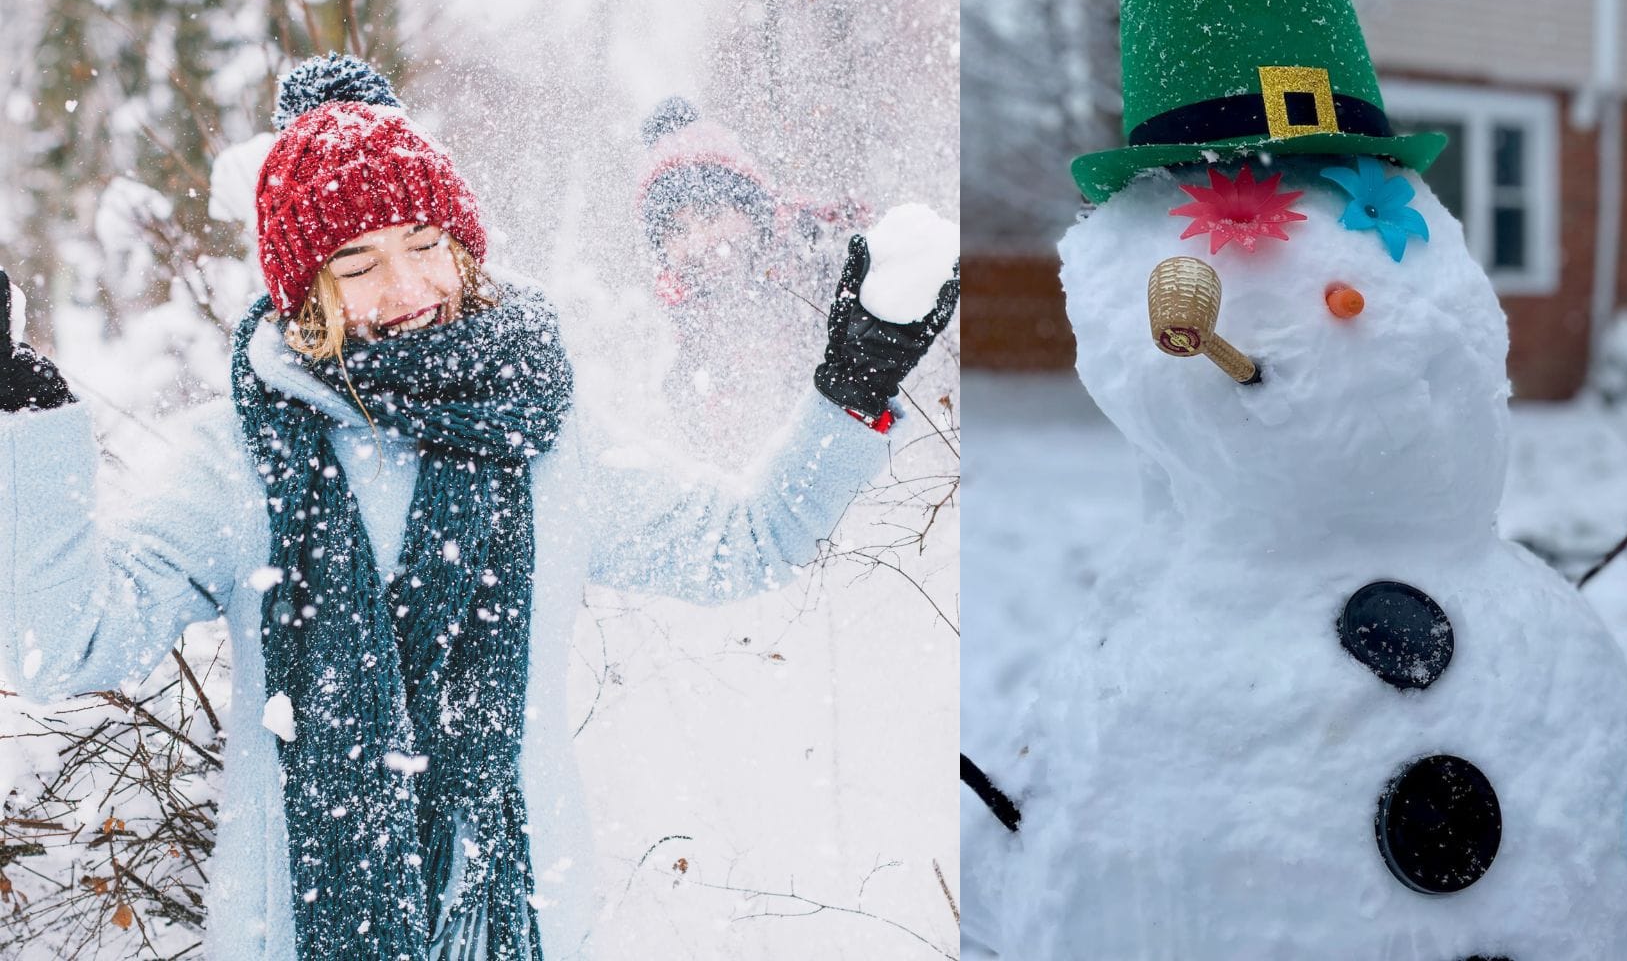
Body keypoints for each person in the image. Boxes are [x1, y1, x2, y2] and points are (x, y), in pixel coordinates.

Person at [0, 53, 957, 961]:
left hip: (524, 924)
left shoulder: (547, 437)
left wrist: (854, 381)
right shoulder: (241, 458)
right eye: (359, 263)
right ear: (307, 292)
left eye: (425, 245)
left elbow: (752, 542)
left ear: (464, 249)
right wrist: (24, 420)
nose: (407, 287)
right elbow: (66, 643)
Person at [630, 96, 867, 459]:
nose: (697, 243)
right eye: (676, 230)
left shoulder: (827, 258)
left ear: (751, 208)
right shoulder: (680, 322)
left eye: (710, 215)